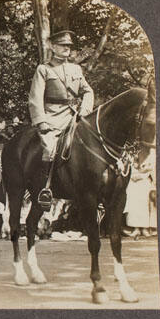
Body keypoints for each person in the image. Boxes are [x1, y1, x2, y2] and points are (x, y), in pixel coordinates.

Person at [28, 30, 94, 208]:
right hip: (53, 117)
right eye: (63, 45)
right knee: (49, 148)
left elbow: (87, 90)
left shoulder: (75, 68)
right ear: (52, 46)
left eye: (69, 46)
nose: (67, 48)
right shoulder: (44, 69)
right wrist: (41, 121)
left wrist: (86, 108)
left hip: (74, 115)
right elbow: (35, 98)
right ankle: (46, 189)